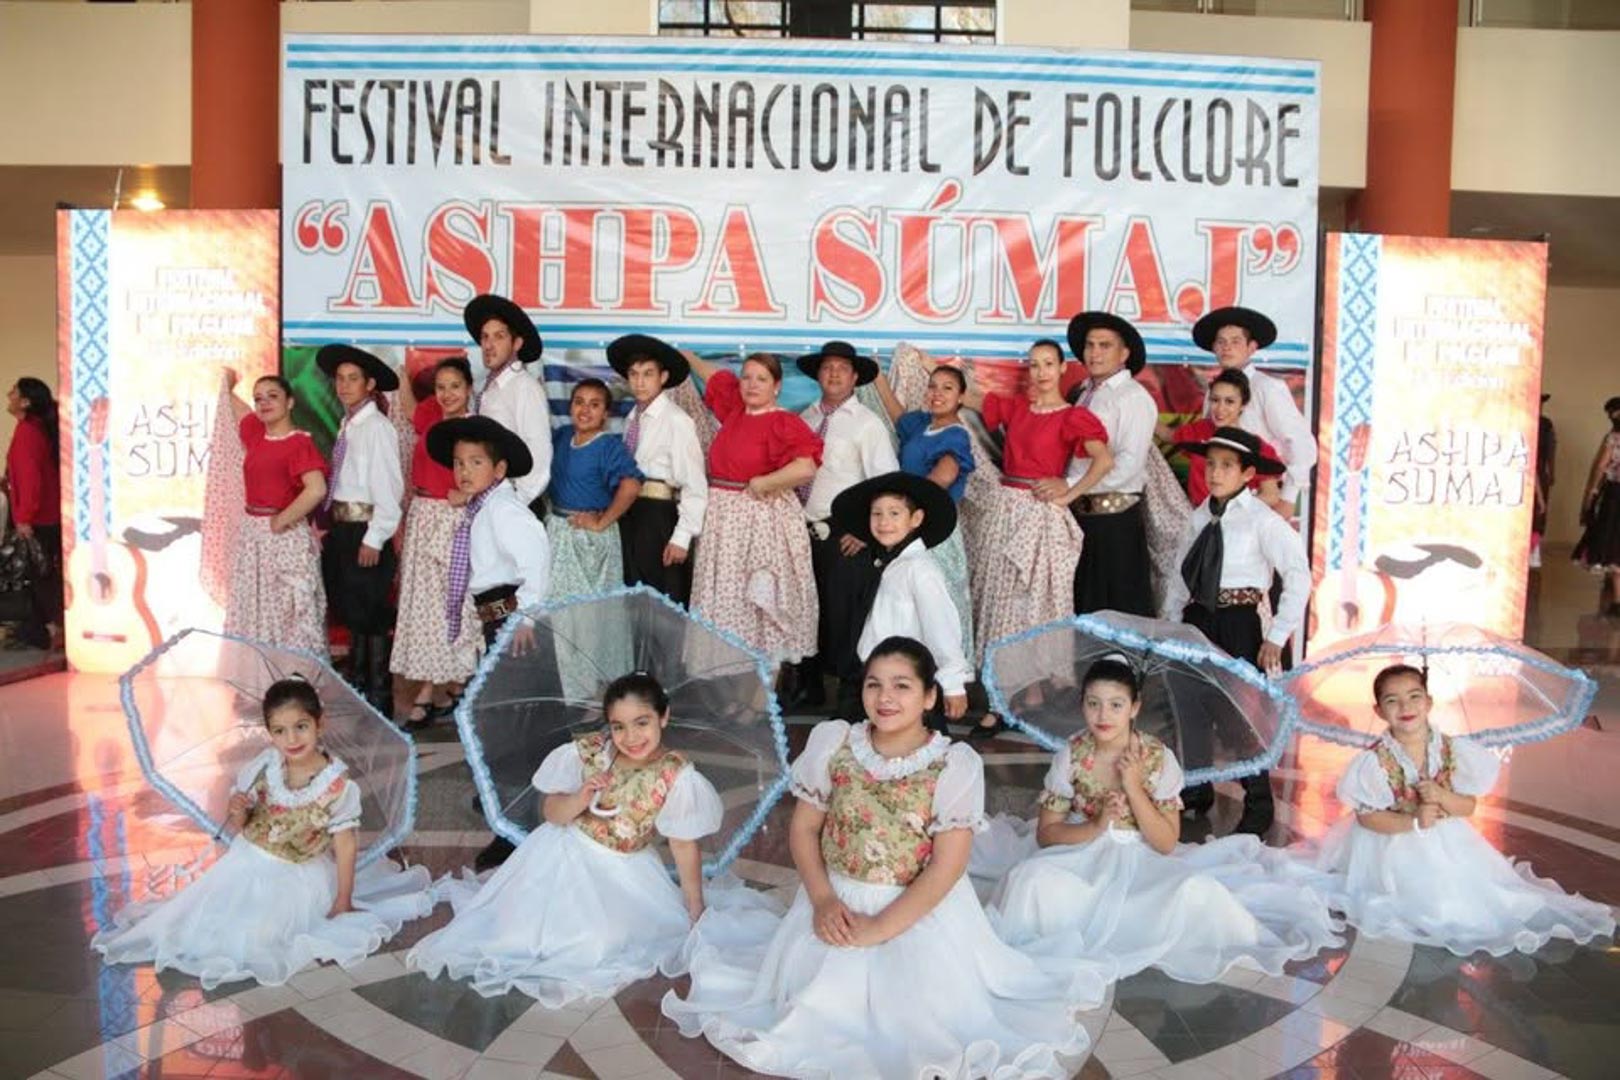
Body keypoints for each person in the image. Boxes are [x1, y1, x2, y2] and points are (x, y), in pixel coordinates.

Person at [662, 637, 1100, 1077]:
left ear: (929, 696)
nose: (885, 697)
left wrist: (880, 928)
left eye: (901, 685)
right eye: (874, 684)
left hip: (919, 908)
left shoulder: (953, 764)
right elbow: (805, 829)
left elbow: (947, 866)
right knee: (818, 1004)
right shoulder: (835, 743)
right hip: (836, 898)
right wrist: (823, 900)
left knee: (916, 1014)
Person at [981, 655, 1340, 986]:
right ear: (1082, 705)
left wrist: (1133, 786)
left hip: (1139, 854)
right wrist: (1095, 825)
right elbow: (1046, 834)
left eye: (1116, 705)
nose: (1103, 715)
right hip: (1079, 850)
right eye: (1093, 703)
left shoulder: (1157, 758)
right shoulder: (1072, 755)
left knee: (1193, 891)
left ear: (1134, 707)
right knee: (1029, 881)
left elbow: (1166, 843)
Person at [92, 677, 434, 988]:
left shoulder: (336, 785)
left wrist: (343, 899)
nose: (292, 739)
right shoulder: (265, 765)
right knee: (204, 924)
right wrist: (238, 809)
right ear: (269, 733)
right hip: (245, 862)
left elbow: (345, 844)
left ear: (320, 723)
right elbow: (242, 826)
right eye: (280, 731)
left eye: (301, 727)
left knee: (260, 936)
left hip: (298, 876)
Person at [407, 672, 724, 1005]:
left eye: (641, 723)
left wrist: (694, 906)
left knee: (599, 942)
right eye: (618, 726)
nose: (631, 737)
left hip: (625, 870)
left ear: (664, 716)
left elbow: (682, 844)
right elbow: (553, 814)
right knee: (518, 933)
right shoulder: (590, 753)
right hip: (562, 854)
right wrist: (580, 798)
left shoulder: (674, 773)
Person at [1312, 664, 1614, 956]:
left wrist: (1442, 795)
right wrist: (1414, 821)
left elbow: (1468, 807)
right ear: (1378, 710)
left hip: (1447, 838)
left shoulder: (1452, 751)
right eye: (1392, 700)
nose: (1405, 706)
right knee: (1419, 901)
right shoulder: (1375, 761)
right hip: (1389, 842)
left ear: (1429, 702)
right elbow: (1367, 818)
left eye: (1415, 696)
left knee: (1478, 897)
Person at [955, 340, 1113, 740]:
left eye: (1048, 364)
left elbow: (1104, 460)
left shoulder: (1072, 417)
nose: (1041, 372)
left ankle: (1012, 699)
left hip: (1040, 515)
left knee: (1032, 607)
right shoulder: (1018, 408)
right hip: (1005, 510)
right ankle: (1018, 695)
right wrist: (924, 363)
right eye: (1035, 365)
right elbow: (969, 397)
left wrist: (1069, 491)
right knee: (1000, 605)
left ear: (1061, 369)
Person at [1161, 427, 1309, 836]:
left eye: (1227, 466)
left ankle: (1258, 801)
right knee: (1189, 708)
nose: (1215, 473)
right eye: (1210, 464)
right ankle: (1196, 791)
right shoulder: (1199, 516)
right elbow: (1180, 576)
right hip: (1197, 620)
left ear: (1248, 473)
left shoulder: (1262, 520)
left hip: (1239, 620)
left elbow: (1298, 575)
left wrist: (1277, 635)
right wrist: (1171, 625)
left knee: (1238, 715)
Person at [684, 352, 823, 667]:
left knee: (758, 604)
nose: (752, 384)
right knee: (730, 602)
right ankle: (735, 682)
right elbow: (713, 376)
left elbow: (806, 467)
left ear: (777, 386)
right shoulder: (736, 409)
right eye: (746, 377)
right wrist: (684, 354)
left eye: (762, 379)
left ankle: (763, 689)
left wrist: (765, 482)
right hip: (725, 525)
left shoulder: (783, 421)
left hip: (760, 523)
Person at [790, 342, 901, 712]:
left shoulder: (867, 424)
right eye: (827, 367)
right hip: (802, 529)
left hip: (846, 533)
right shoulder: (803, 419)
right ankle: (808, 686)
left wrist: (866, 531)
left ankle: (852, 695)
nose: (834, 374)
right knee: (806, 610)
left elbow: (886, 483)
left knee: (846, 613)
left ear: (855, 378)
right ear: (817, 375)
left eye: (842, 368)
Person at [830, 471, 971, 730]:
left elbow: (941, 626)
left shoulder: (920, 569)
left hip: (905, 681)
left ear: (915, 519)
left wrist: (953, 684)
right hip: (871, 674)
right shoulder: (885, 563)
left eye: (895, 513)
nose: (884, 522)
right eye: (877, 514)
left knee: (910, 743)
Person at [390, 357, 481, 730]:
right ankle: (443, 687)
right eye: (441, 387)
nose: (447, 394)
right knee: (424, 609)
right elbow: (410, 409)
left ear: (469, 389)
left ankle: (439, 689)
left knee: (450, 606)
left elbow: (490, 475)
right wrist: (401, 372)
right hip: (422, 516)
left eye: (455, 386)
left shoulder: (475, 430)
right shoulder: (430, 414)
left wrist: (465, 495)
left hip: (451, 520)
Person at [869, 361, 978, 666]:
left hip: (933, 530)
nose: (937, 393)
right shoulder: (923, 424)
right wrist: (879, 379)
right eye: (932, 386)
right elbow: (898, 417)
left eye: (947, 388)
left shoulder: (955, 436)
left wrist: (903, 512)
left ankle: (945, 676)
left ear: (961, 397)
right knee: (909, 607)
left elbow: (941, 479)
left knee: (935, 607)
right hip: (909, 526)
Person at [317, 345, 404, 717]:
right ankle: (360, 693)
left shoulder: (377, 428)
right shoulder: (349, 424)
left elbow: (389, 487)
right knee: (354, 613)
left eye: (353, 379)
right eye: (340, 378)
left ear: (370, 385)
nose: (344, 385)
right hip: (344, 527)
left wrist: (375, 536)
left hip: (365, 529)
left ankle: (379, 700)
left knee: (371, 614)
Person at [218, 372, 328, 656]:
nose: (264, 402)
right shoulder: (257, 434)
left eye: (273, 396)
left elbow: (316, 489)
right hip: (253, 538)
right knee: (255, 609)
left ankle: (292, 675)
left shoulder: (299, 443)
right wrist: (227, 382)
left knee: (286, 612)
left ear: (290, 402)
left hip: (282, 538)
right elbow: (239, 408)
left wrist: (281, 520)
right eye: (259, 398)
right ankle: (259, 674)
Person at [1065, 311, 1158, 616]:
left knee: (1118, 613)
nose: (1095, 353)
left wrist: (1069, 486)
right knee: (1083, 608)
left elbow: (1129, 465)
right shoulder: (1082, 394)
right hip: (1079, 518)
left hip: (1115, 522)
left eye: (1105, 345)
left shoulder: (1133, 397)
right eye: (1090, 345)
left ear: (1124, 354)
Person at [608, 334, 708, 605]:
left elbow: (694, 483)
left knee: (662, 599)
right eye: (634, 374)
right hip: (631, 513)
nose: (639, 382)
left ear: (663, 377)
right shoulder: (632, 418)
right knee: (634, 598)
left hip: (658, 517)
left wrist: (682, 537)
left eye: (648, 374)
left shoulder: (677, 420)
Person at [1191, 306, 1317, 508]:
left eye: (1235, 341)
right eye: (1221, 342)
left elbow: (1300, 441)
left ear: (1251, 347)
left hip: (1260, 497)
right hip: (1220, 498)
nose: (1227, 348)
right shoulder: (1213, 391)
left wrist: (1288, 498)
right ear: (1214, 347)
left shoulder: (1266, 387)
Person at [546, 379, 643, 598]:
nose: (585, 410)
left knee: (589, 609)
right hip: (558, 533)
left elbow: (631, 485)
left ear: (605, 414)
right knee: (556, 608)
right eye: (579, 402)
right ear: (571, 406)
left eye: (595, 405)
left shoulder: (608, 446)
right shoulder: (562, 436)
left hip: (589, 536)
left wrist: (601, 522)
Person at [463, 294, 552, 516]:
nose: (488, 345)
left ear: (517, 343)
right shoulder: (488, 387)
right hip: (490, 502)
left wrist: (515, 505)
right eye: (485, 337)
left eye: (499, 336)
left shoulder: (524, 387)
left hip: (514, 506)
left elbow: (540, 455)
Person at [1167, 369, 1285, 510]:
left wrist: (1230, 509)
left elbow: (1271, 495)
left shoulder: (1257, 447)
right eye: (1215, 400)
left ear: (1243, 405)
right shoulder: (1199, 430)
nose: (1220, 408)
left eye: (1229, 402)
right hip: (1197, 516)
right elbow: (1169, 436)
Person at [4, 378, 63, 649]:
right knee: (42, 575)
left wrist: (24, 517)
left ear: (25, 402)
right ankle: (45, 631)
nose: (9, 395)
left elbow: (30, 480)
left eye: (14, 392)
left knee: (39, 577)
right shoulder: (35, 428)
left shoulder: (28, 432)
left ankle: (53, 631)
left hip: (38, 517)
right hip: (47, 514)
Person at [1573, 395, 1620, 613]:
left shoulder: (1614, 438)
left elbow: (1601, 466)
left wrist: (1591, 492)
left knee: (1613, 544)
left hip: (1615, 495)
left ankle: (1618, 601)